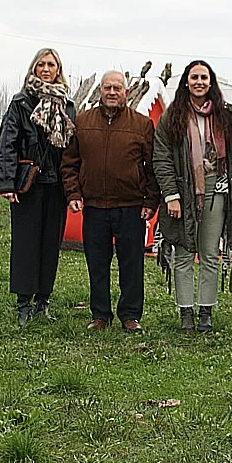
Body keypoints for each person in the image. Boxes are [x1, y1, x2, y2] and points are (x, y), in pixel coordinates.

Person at [61, 71, 157, 332]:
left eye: (117, 88)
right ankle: (100, 314)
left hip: (131, 206)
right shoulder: (82, 122)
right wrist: (73, 194)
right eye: (107, 88)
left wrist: (151, 201)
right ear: (100, 91)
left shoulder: (142, 125)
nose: (112, 92)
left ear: (126, 92)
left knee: (132, 264)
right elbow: (70, 163)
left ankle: (130, 315)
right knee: (97, 264)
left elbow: (152, 167)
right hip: (94, 207)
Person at [153, 60, 232, 333]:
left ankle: (206, 311)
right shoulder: (173, 116)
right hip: (183, 190)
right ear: (186, 82)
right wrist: (171, 195)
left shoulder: (225, 116)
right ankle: (186, 312)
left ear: (211, 82)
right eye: (194, 77)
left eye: (204, 77)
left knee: (210, 253)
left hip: (217, 189)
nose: (199, 82)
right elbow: (162, 157)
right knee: (183, 252)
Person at [0, 48, 75, 329]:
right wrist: (7, 182)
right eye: (41, 64)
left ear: (58, 69)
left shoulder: (67, 105)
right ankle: (23, 303)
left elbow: (71, 149)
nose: (46, 69)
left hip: (56, 186)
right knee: (26, 245)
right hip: (28, 184)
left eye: (51, 64)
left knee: (50, 245)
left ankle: (43, 300)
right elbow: (8, 143)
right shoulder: (21, 102)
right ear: (34, 68)